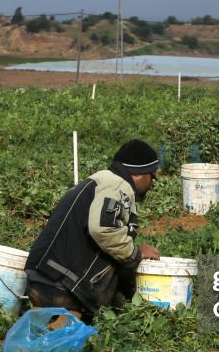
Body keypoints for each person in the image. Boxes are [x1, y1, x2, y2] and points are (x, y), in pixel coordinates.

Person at [25, 139, 161, 324]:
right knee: (57, 348)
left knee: (42, 335)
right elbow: (104, 229)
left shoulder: (102, 181)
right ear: (138, 172)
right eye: (152, 176)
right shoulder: (116, 185)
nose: (153, 184)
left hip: (46, 276)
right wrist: (135, 253)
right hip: (61, 283)